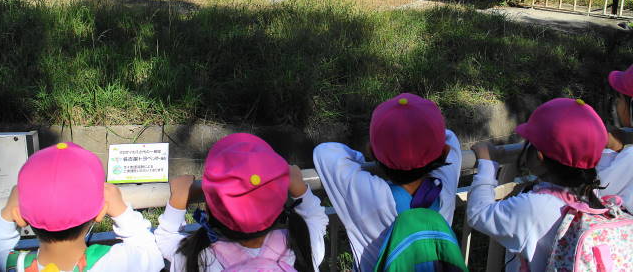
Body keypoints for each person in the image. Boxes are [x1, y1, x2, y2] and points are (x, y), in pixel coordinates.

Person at [313, 93, 462, 271]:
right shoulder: (444, 185)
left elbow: (324, 152)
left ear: (371, 152)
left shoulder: (369, 194)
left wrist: (362, 161)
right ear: (444, 153)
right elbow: (450, 137)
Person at [467, 98, 608, 272]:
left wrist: (487, 162)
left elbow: (479, 213)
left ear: (539, 156)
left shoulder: (534, 206)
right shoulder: (590, 195)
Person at [154, 132, 328, 272]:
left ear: (209, 207)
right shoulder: (301, 246)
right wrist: (300, 188)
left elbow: (166, 239)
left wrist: (179, 198)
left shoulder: (198, 259)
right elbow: (316, 218)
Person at [0, 142, 164, 272]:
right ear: (101, 211)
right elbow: (150, 251)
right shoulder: (117, 263)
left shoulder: (9, 265)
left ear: (19, 216)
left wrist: (7, 213)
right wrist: (121, 211)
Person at [596, 64, 633, 212]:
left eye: (619, 99)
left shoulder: (630, 156)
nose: (617, 104)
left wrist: (608, 151)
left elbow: (597, 191)